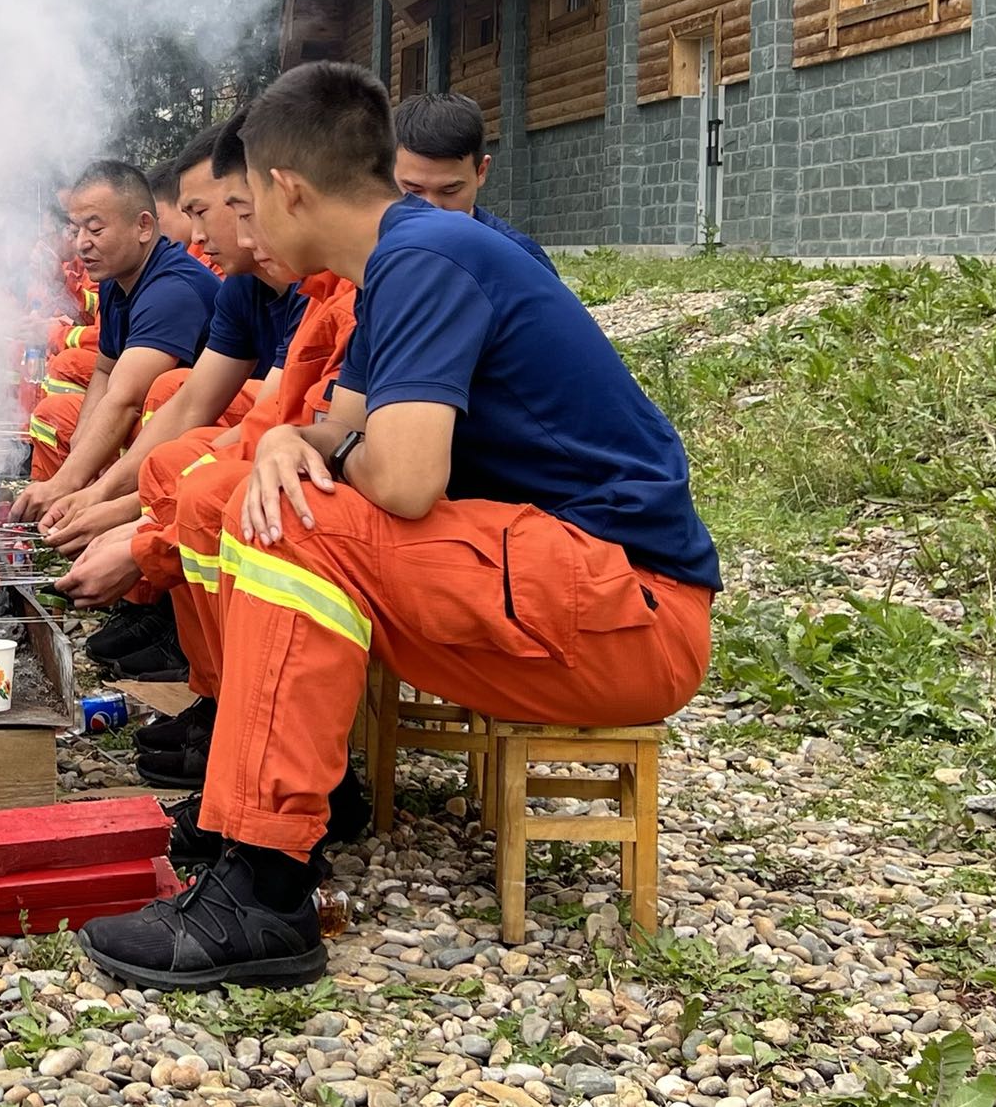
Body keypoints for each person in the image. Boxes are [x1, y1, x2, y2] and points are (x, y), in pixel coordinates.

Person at [78, 61, 720, 990]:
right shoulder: (396, 263)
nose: (243, 228)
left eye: (248, 200)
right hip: (553, 588)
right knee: (258, 495)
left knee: (290, 523)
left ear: (286, 188)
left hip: (628, 613)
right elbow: (336, 428)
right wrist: (290, 445)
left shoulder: (423, 261)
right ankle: (249, 816)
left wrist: (307, 455)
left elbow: (407, 479)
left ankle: (265, 888)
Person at [38, 120, 305, 684]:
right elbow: (125, 385)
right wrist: (82, 489)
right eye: (74, 227)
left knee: (186, 444)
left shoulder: (186, 286)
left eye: (211, 210)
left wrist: (109, 506)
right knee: (161, 438)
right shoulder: (239, 287)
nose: (196, 234)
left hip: (303, 472)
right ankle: (155, 609)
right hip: (260, 448)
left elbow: (173, 404)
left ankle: (186, 639)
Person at [14, 159, 220, 496]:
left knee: (159, 393)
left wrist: (67, 483)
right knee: (59, 416)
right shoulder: (115, 279)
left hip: (195, 430)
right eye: (75, 229)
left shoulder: (174, 290)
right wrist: (78, 452)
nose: (81, 243)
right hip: (149, 415)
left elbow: (126, 400)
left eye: (95, 230)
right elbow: (105, 370)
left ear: (143, 226)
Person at [389, 94, 554, 270]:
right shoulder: (363, 252)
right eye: (413, 189)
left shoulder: (521, 260)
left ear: (481, 171)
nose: (430, 207)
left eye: (449, 190)